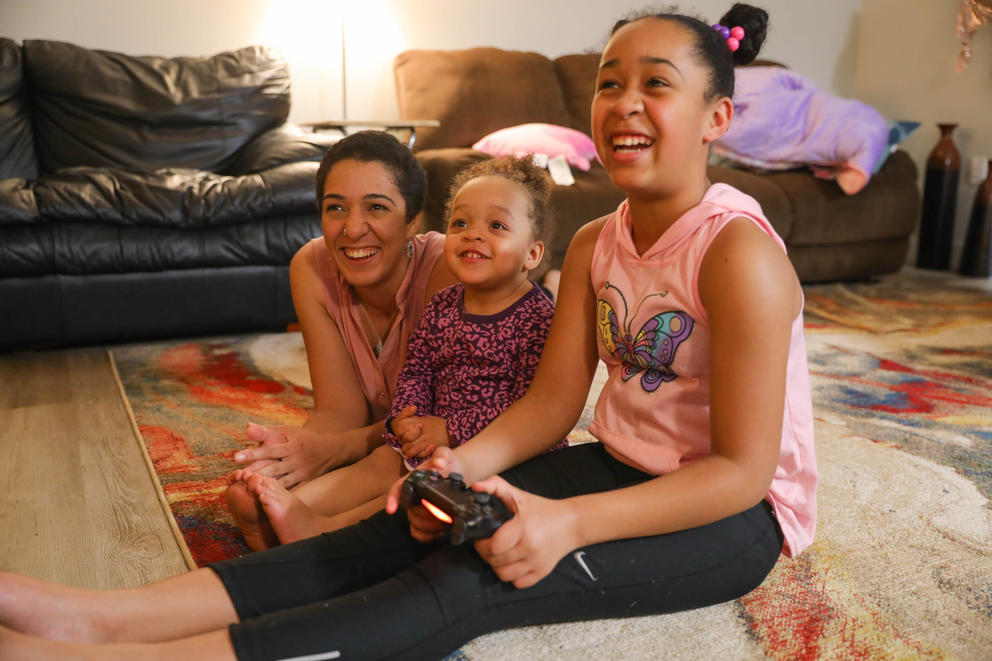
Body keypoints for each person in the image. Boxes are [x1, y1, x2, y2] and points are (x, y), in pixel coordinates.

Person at [0, 6, 818, 660]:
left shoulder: (736, 253)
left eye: (657, 84)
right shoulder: (595, 240)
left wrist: (566, 522)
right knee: (402, 524)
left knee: (473, 577)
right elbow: (550, 405)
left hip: (730, 518)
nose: (625, 104)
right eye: (610, 84)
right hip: (617, 466)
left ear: (717, 117)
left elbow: (742, 473)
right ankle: (100, 616)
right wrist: (455, 467)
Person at [232, 155, 563, 547]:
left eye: (496, 226)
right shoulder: (444, 304)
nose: (474, 235)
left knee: (417, 486)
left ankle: (325, 532)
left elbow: (532, 405)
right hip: (426, 437)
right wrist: (409, 414)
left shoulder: (538, 316)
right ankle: (283, 510)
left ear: (533, 255)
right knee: (380, 464)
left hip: (496, 454)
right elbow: (418, 368)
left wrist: (451, 430)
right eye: (461, 223)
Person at [224, 130, 458, 549]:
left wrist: (332, 451)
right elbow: (340, 409)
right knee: (269, 484)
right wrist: (302, 451)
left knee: (415, 462)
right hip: (385, 440)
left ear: (413, 219)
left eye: (376, 207)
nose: (352, 229)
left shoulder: (447, 272)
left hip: (438, 436)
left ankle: (302, 527)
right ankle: (287, 521)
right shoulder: (312, 267)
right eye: (336, 208)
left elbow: (442, 422)